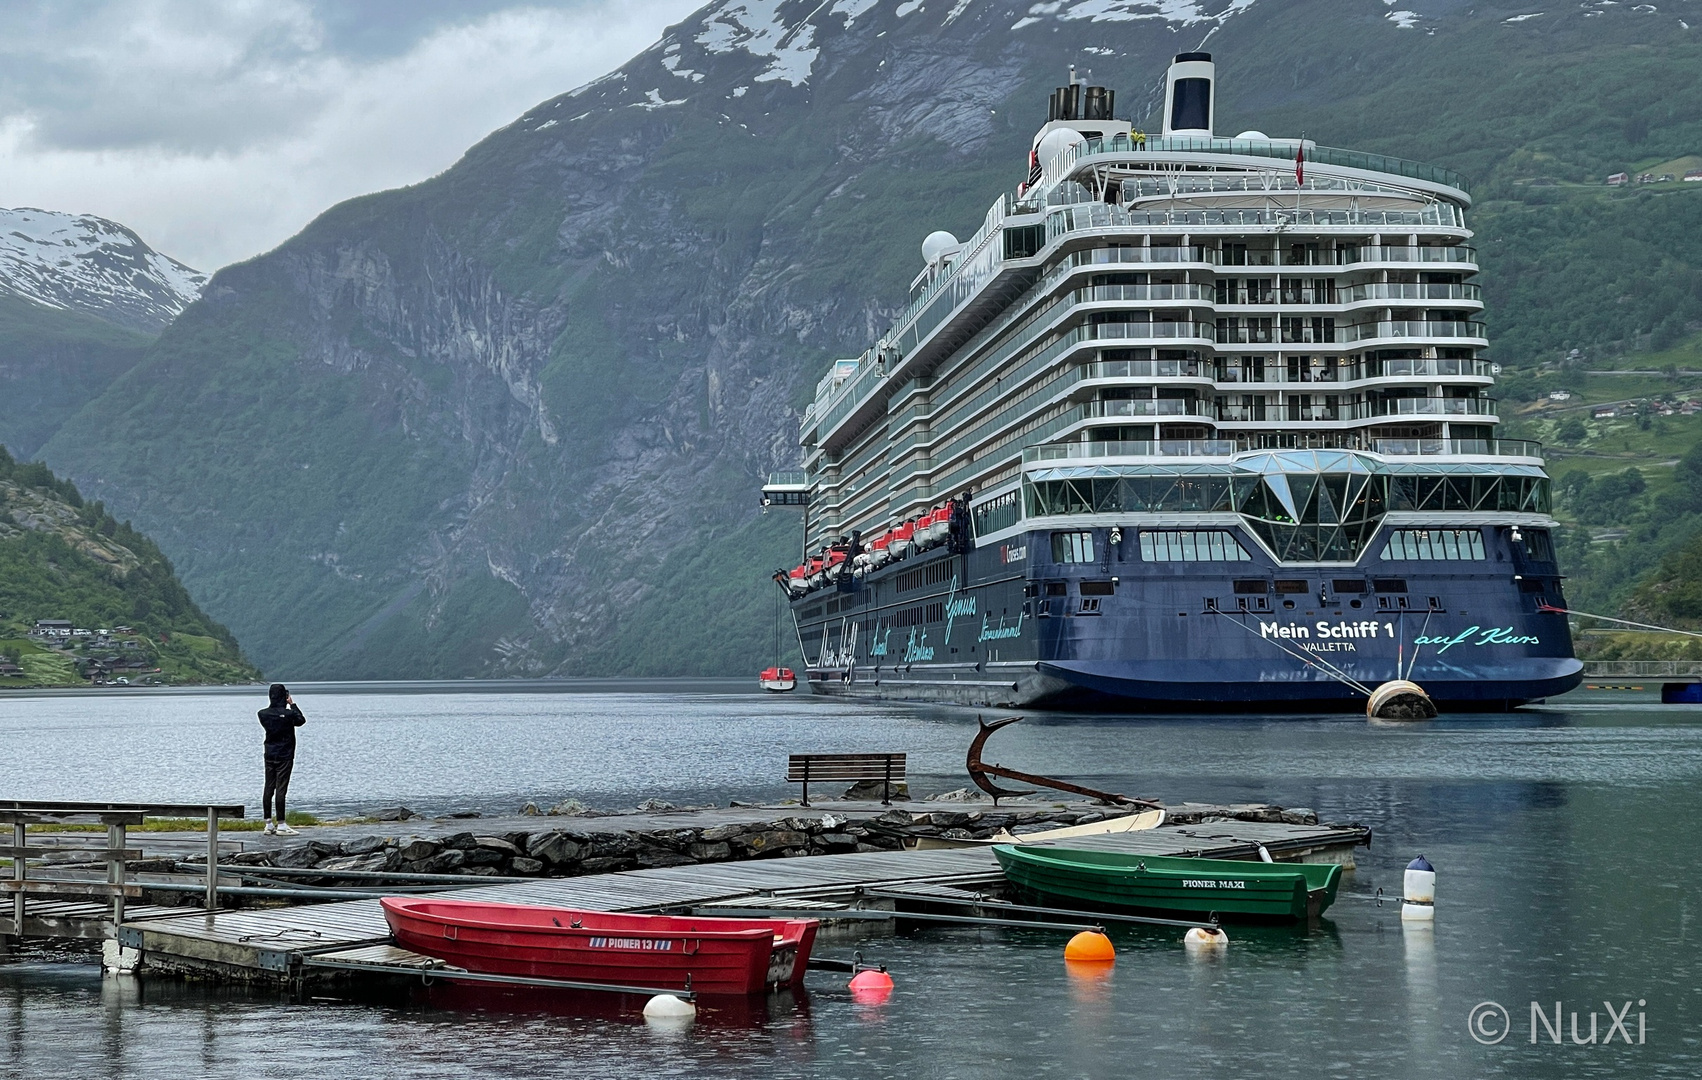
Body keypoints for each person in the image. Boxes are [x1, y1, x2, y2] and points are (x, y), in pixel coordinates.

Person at [257, 683, 306, 836]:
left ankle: (268, 823)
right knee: (281, 789)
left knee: (268, 787)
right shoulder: (289, 714)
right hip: (285, 754)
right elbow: (301, 720)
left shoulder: (262, 714)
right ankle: (282, 824)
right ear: (284, 696)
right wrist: (292, 704)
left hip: (270, 753)